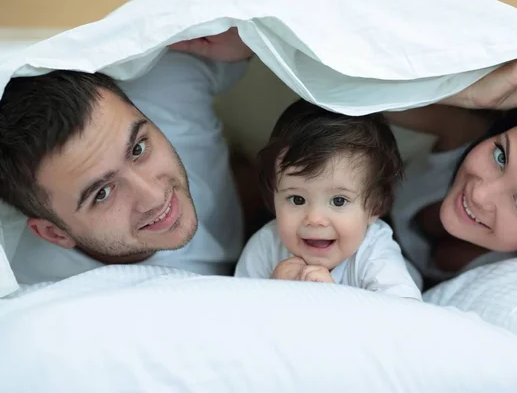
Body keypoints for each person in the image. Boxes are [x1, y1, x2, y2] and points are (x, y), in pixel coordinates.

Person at [0, 29, 254, 283]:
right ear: (54, 234)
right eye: (102, 193)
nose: (155, 198)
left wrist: (249, 39)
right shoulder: (49, 298)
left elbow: (256, 35)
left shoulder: (164, 91)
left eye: (138, 150)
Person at [385, 54, 517, 287]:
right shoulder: (465, 134)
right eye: (500, 156)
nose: (480, 194)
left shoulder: (505, 279)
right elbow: (354, 94)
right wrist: (472, 95)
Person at [234, 99, 422, 299]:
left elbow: (404, 320)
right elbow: (238, 313)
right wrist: (272, 290)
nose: (314, 219)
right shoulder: (266, 246)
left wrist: (333, 299)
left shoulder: (375, 253)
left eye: (338, 201)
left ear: (376, 206)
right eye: (297, 199)